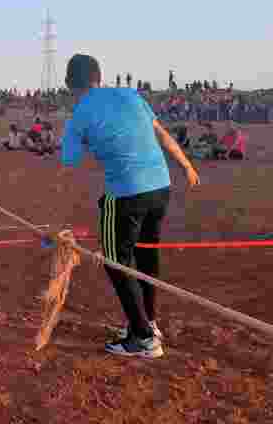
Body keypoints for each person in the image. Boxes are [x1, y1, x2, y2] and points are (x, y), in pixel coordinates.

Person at [59, 54, 199, 359]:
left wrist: (81, 136)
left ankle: (144, 338)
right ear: (99, 76)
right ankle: (149, 323)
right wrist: (186, 165)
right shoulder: (130, 94)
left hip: (125, 195)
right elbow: (160, 134)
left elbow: (69, 161)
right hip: (161, 186)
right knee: (146, 254)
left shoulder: (80, 114)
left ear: (70, 83)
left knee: (115, 260)